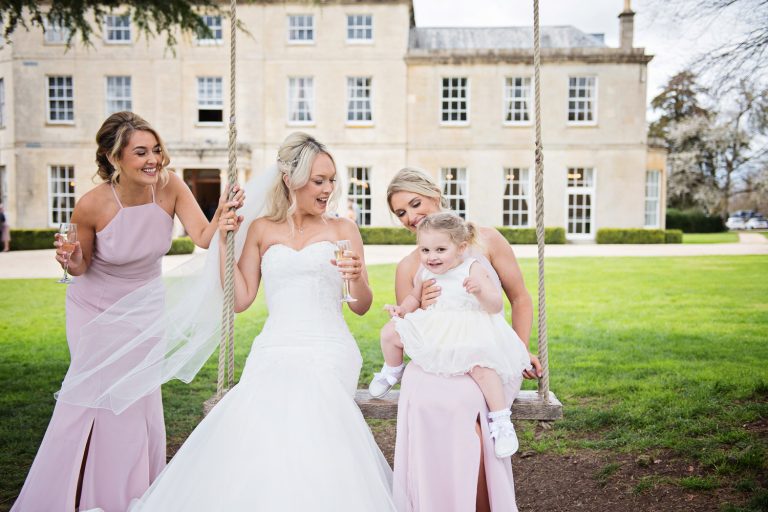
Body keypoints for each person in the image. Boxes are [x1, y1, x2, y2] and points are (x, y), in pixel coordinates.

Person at [127, 132, 396, 511]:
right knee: (257, 405)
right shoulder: (262, 229)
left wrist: (355, 277)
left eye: (331, 180)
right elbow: (239, 300)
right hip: (274, 344)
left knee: (308, 398)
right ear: (290, 179)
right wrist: (223, 243)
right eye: (319, 180)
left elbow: (361, 306)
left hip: (329, 348)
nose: (328, 189)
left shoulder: (343, 230)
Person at [11, 111, 243, 512]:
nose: (153, 159)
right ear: (114, 157)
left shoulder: (170, 187)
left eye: (156, 149)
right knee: (90, 399)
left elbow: (203, 238)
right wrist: (68, 258)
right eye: (141, 152)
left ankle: (132, 492)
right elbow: (79, 266)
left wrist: (221, 217)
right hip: (95, 310)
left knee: (136, 400)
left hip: (146, 308)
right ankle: (71, 493)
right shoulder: (92, 204)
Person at [385, 167, 542, 512]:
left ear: (435, 194)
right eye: (401, 213)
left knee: (469, 417)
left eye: (415, 203)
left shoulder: (486, 239)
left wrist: (521, 348)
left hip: (485, 354)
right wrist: (415, 309)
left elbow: (520, 298)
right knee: (428, 405)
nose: (411, 216)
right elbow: (411, 331)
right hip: (436, 361)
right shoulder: (412, 265)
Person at [369, 212, 531, 458]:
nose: (431, 257)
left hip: (470, 327)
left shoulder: (472, 267)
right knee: (390, 332)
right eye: (424, 250)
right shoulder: (425, 272)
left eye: (440, 250)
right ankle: (393, 370)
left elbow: (496, 305)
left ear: (461, 247)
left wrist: (480, 292)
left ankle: (501, 421)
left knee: (482, 368)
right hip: (438, 325)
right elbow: (414, 297)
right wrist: (401, 310)